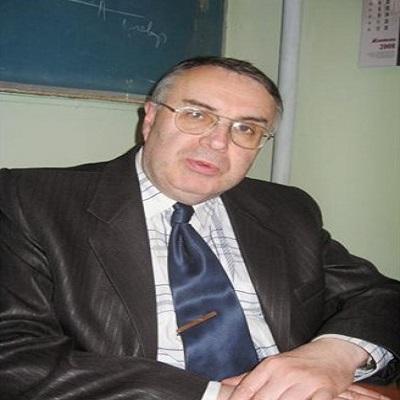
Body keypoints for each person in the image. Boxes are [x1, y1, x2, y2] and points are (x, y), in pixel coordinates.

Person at [0, 56, 399, 400]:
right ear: (150, 118)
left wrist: (334, 356)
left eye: (246, 128)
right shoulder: (31, 200)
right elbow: (15, 353)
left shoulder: (287, 209)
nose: (218, 142)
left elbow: (381, 296)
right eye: (196, 115)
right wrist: (220, 395)